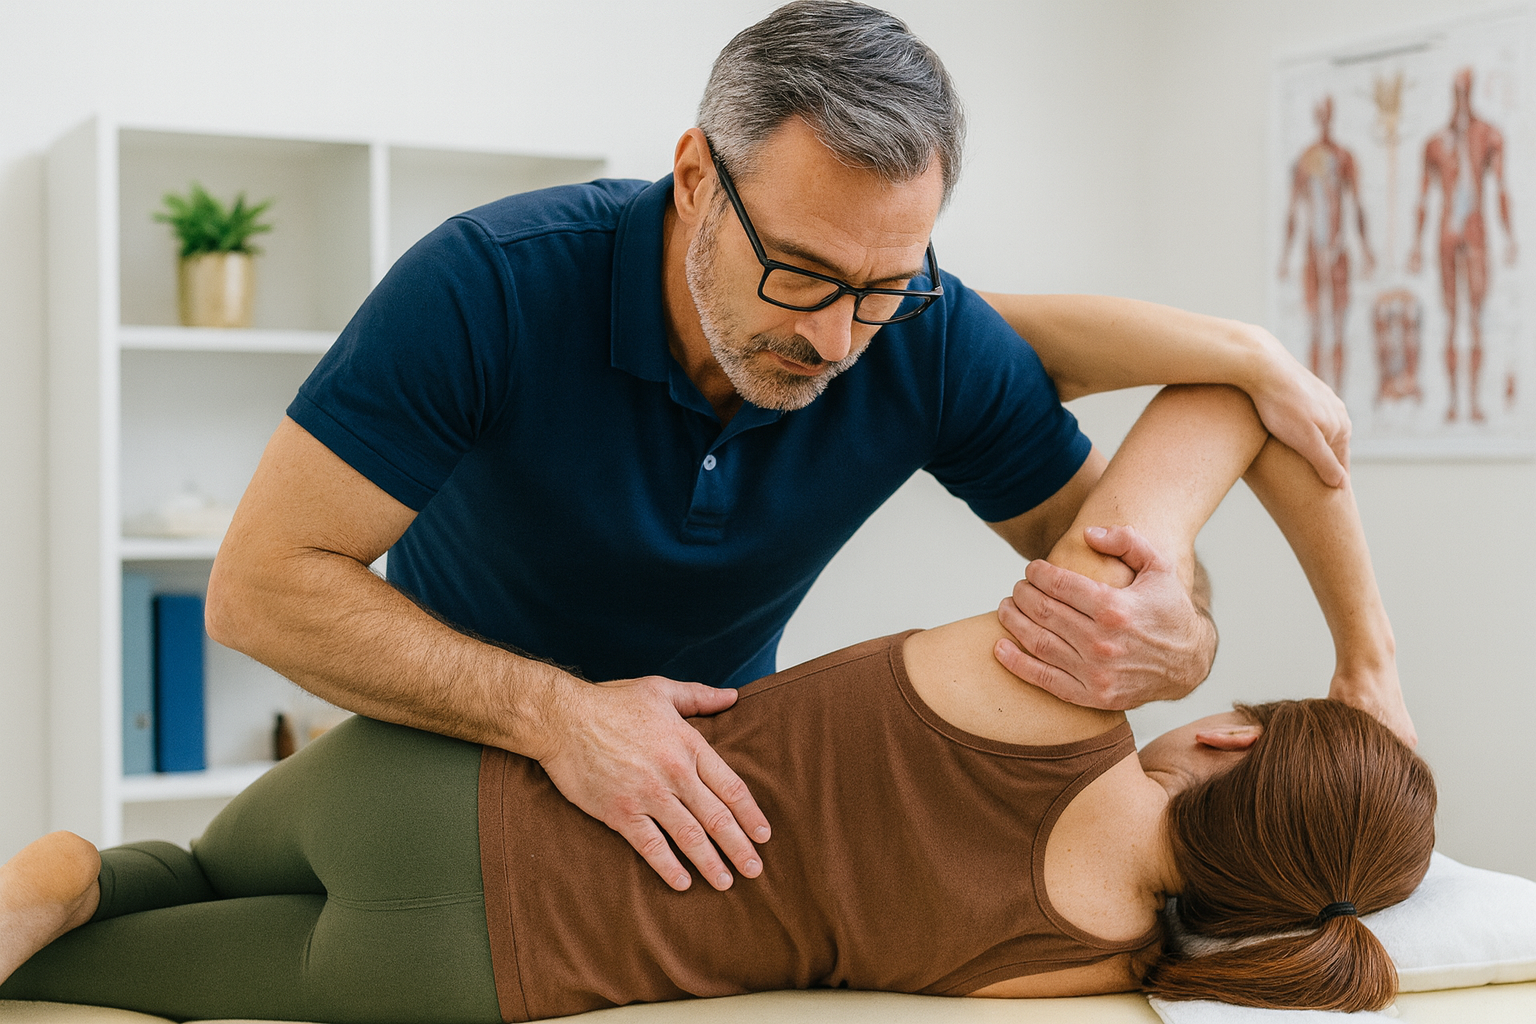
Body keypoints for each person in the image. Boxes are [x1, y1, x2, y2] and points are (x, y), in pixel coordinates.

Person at [205, 0, 1381, 899]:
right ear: (695, 180)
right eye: (802, 273)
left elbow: (1128, 556)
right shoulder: (490, 286)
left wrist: (1181, 643)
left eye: (878, 287)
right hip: (444, 765)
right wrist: (561, 715)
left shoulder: (919, 333)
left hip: (702, 799)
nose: (831, 338)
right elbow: (260, 588)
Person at [0, 385, 1431, 1020]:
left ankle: (65, 865)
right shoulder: (1089, 967)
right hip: (473, 979)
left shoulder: (1053, 686)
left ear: (1234, 735)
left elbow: (1234, 395)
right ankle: (65, 895)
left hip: (438, 789)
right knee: (65, 981)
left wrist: (1369, 662)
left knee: (176, 870)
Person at [1406, 67, 1519, 422]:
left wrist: (1510, 236)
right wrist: (1415, 245)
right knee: (1453, 318)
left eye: (1465, 88)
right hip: (1447, 233)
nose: (1461, 95)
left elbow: (1501, 188)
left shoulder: (1488, 135)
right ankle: (1454, 402)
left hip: (1475, 232)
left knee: (1476, 317)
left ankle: (1474, 402)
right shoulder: (1436, 143)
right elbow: (1423, 198)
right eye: (1457, 89)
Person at [1278, 95, 1376, 393]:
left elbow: (1356, 205)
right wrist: (1285, 256)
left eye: (1327, 113)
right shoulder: (1305, 160)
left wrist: (1365, 249)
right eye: (1319, 114)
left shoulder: (1345, 158)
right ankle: (1316, 399)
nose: (1323, 119)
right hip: (1313, 252)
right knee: (1315, 328)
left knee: (1338, 329)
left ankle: (1338, 399)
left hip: (1337, 251)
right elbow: (1293, 211)